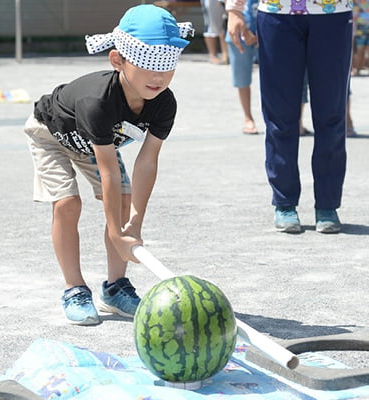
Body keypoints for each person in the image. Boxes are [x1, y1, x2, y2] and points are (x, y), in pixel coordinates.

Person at [24, 5, 194, 325]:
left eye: (167, 66)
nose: (158, 77)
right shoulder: (97, 101)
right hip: (50, 133)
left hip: (96, 142)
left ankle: (116, 289)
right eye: (147, 65)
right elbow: (108, 171)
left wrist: (134, 225)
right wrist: (116, 232)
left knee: (124, 205)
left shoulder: (164, 103)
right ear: (118, 60)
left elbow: (147, 161)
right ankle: (74, 289)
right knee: (68, 204)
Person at [226, 0, 353, 234]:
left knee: (331, 115)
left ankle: (327, 205)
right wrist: (234, 10)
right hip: (277, 14)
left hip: (333, 14)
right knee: (279, 116)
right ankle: (284, 203)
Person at [225, 0, 259, 134]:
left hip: (269, 26)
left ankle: (289, 120)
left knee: (277, 80)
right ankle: (248, 117)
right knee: (242, 79)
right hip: (238, 28)